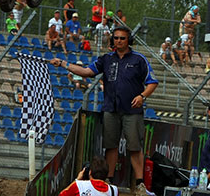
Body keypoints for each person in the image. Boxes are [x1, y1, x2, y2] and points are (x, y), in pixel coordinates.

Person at [51, 25, 158, 192]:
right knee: (111, 146)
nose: (119, 41)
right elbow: (86, 71)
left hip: (132, 110)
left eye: (122, 38)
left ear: (128, 40)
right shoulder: (107, 59)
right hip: (111, 108)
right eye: (116, 38)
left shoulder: (139, 59)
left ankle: (139, 184)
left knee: (135, 147)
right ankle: (108, 180)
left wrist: (142, 96)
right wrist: (64, 63)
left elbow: (152, 82)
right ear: (112, 40)